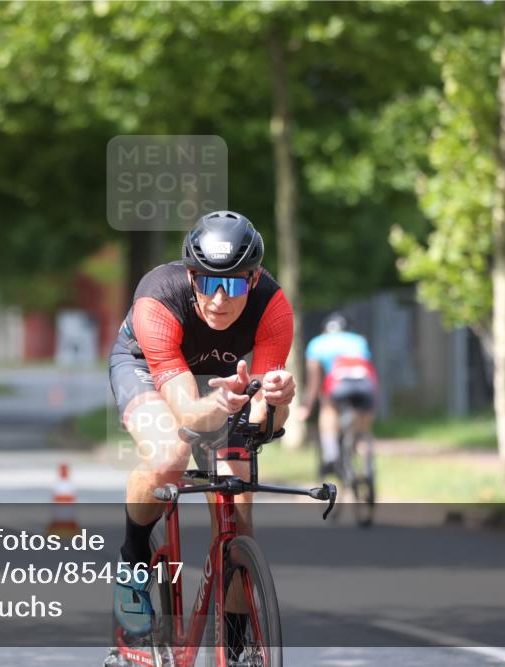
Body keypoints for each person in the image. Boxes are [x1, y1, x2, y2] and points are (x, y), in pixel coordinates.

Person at [108, 211, 295, 642]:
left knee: (238, 511)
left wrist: (277, 401)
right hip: (148, 368)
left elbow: (263, 423)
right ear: (191, 276)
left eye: (233, 284)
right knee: (169, 454)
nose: (219, 300)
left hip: (223, 381)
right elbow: (189, 415)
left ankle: (234, 642)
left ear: (254, 278)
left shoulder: (274, 307)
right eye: (208, 282)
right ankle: (133, 558)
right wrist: (221, 403)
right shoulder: (157, 299)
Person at [298, 312, 378, 473]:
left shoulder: (317, 343)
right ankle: (365, 460)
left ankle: (331, 454)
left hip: (339, 386)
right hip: (365, 385)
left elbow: (314, 381)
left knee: (328, 407)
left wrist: (307, 406)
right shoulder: (358, 340)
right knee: (362, 428)